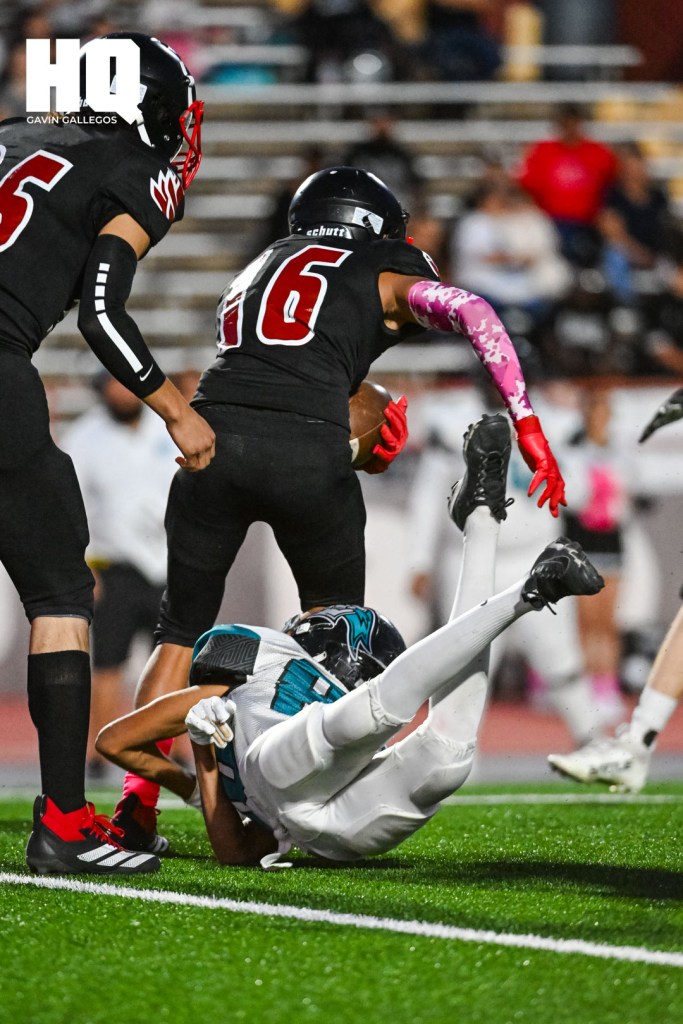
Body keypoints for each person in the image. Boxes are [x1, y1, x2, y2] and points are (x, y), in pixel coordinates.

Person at [108, 165, 568, 852]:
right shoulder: (380, 262)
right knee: (335, 641)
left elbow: (286, 360)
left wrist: (352, 409)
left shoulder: (258, 268)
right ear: (372, 223)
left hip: (211, 442)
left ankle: (134, 807)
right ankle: (300, 795)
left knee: (178, 632)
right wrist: (527, 426)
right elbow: (475, 312)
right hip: (305, 453)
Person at [97, 414, 603, 864]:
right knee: (371, 727)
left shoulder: (282, 695)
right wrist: (200, 763)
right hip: (305, 811)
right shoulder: (232, 692)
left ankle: (485, 529)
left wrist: (203, 767)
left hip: (328, 799)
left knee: (449, 759)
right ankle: (510, 566)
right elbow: (117, 745)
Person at [2, 32, 215, 877]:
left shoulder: (17, 129)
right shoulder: (132, 168)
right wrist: (174, 410)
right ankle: (62, 820)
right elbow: (101, 313)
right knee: (59, 591)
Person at [548, 387, 683, 792]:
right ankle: (624, 727)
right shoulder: (574, 448)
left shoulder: (620, 453)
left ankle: (622, 717)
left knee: (607, 622)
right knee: (587, 622)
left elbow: (632, 489)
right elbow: (569, 494)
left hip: (613, 543)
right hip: (585, 541)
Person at [60, 373, 180, 778]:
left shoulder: (167, 425)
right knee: (108, 662)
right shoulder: (84, 436)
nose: (121, 391)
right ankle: (99, 751)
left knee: (174, 660)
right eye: (112, 384)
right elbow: (72, 506)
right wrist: (84, 564)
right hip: (115, 567)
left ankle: (175, 746)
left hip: (170, 563)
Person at [516, 103, 618, 268]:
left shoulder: (599, 153)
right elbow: (525, 188)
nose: (569, 129)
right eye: (565, 124)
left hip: (590, 223)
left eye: (573, 123)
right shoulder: (542, 151)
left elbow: (611, 186)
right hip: (551, 222)